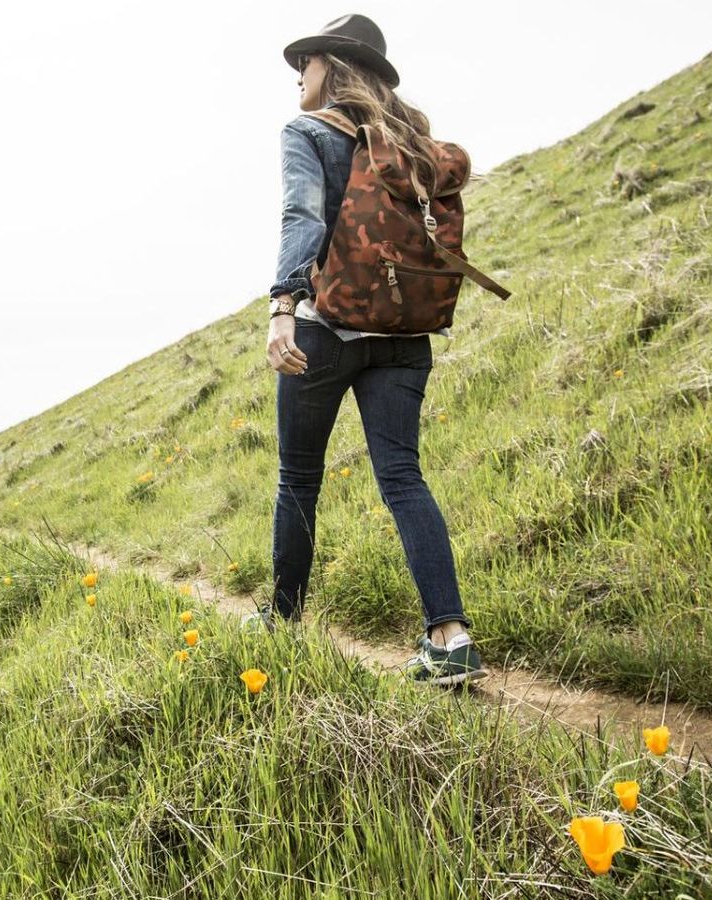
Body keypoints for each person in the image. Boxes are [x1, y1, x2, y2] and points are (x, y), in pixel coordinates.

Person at [241, 13, 487, 687]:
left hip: (325, 326)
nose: (299, 74)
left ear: (336, 68)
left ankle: (284, 620)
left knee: (299, 477)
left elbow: (303, 218)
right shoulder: (413, 143)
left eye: (309, 62)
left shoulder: (308, 132)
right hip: (405, 338)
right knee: (404, 479)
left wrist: (283, 308)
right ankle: (451, 637)